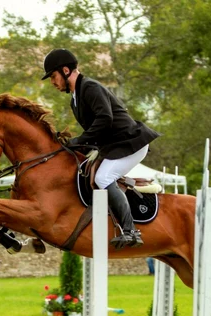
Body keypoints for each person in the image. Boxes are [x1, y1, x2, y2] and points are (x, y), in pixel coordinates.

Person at [41, 48, 160, 249]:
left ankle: (131, 231)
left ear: (66, 71)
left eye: (53, 76)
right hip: (115, 146)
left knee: (102, 178)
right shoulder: (75, 99)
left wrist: (78, 141)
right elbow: (96, 132)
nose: (52, 82)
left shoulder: (90, 88)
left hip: (131, 143)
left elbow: (105, 120)